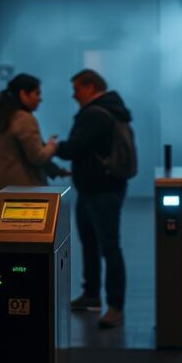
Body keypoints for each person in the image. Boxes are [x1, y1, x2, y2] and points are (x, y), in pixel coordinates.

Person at [0, 73, 60, 337]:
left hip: (0, 197)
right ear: (23, 94)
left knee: (3, 260)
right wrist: (53, 146)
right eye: (36, 93)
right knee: (26, 261)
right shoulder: (24, 119)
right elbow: (37, 156)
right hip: (25, 199)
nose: (40, 98)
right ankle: (23, 311)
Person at [56, 69, 133, 329]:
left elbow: (73, 148)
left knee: (108, 247)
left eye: (77, 89)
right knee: (92, 244)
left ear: (90, 87)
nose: (74, 95)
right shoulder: (112, 109)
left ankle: (114, 305)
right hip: (103, 187)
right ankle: (92, 296)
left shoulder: (94, 114)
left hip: (100, 191)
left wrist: (53, 146)